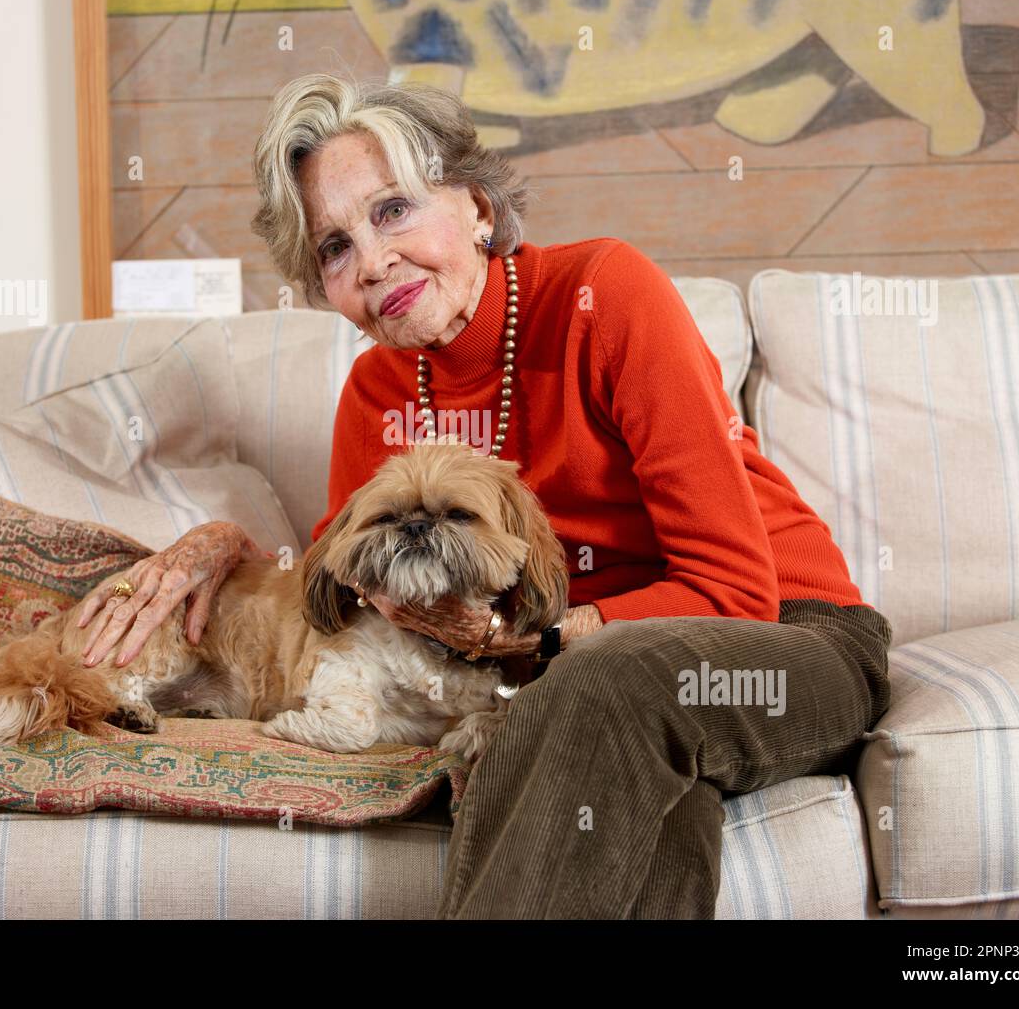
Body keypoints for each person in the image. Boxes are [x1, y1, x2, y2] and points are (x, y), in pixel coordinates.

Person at [75, 72, 893, 920]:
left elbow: (735, 590)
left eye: (393, 210)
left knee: (581, 691)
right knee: (614, 786)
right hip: (610, 695)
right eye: (334, 248)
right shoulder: (376, 394)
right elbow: (333, 590)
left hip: (787, 645)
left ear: (474, 204)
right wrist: (222, 543)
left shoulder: (604, 294)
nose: (374, 259)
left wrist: (527, 644)